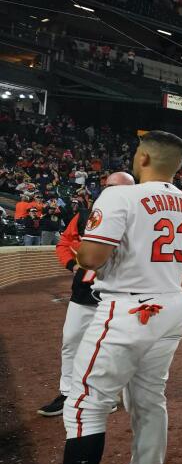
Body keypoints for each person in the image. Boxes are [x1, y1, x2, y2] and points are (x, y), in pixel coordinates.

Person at [3, 131, 182, 464]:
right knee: (150, 400)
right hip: (172, 305)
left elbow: (92, 260)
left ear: (145, 156)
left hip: (128, 309)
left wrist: (83, 252)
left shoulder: (121, 197)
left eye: (137, 151)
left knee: (84, 404)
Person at [37, 172, 136, 418]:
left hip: (120, 293)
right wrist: (72, 265)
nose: (115, 193)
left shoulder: (139, 219)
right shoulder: (83, 216)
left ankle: (107, 395)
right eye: (111, 187)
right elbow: (63, 244)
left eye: (122, 189)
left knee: (112, 347)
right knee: (71, 341)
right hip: (84, 291)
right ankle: (68, 392)